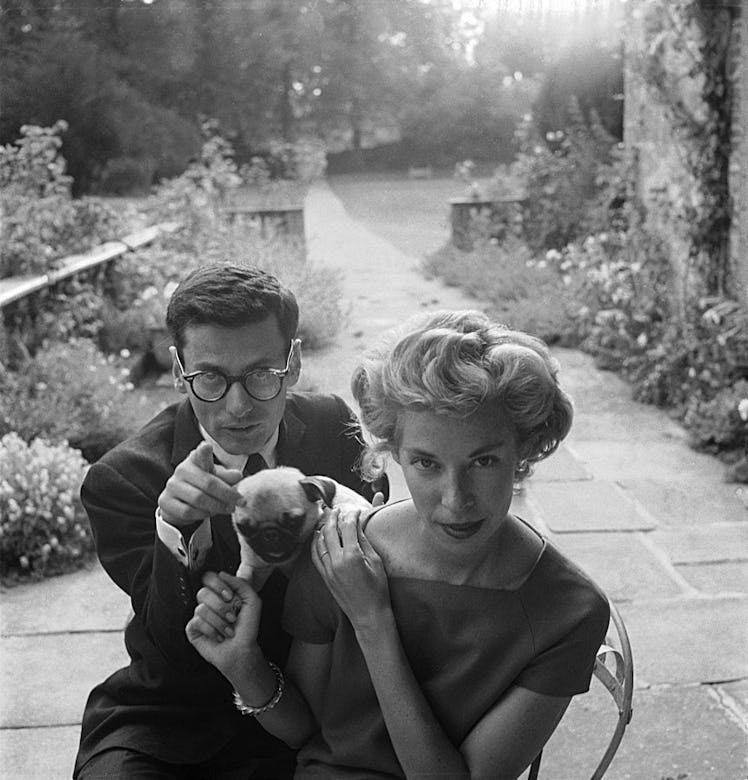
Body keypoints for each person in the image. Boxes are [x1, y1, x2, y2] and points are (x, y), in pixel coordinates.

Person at [187, 309, 611, 779]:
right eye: (426, 463)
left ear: (524, 450)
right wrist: (243, 665)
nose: (456, 501)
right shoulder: (339, 549)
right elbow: (307, 732)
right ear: (393, 453)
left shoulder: (570, 610)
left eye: (484, 461)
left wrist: (373, 622)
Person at [73, 264, 386, 779]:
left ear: (295, 363)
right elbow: (173, 652)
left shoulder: (336, 428)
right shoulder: (124, 479)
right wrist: (176, 530)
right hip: (173, 721)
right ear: (178, 370)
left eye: (262, 373)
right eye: (211, 378)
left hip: (325, 704)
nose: (238, 406)